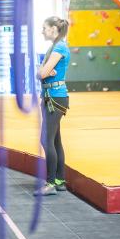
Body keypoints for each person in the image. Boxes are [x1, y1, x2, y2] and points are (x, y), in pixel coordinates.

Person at [35, 17, 70, 196]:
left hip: (55, 97)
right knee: (55, 140)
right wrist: (43, 71)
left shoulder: (59, 47)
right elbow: (42, 72)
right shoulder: (55, 47)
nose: (42, 31)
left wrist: (43, 71)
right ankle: (59, 180)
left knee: (46, 139)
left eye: (44, 28)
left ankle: (50, 183)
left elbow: (41, 73)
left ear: (54, 29)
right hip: (52, 96)